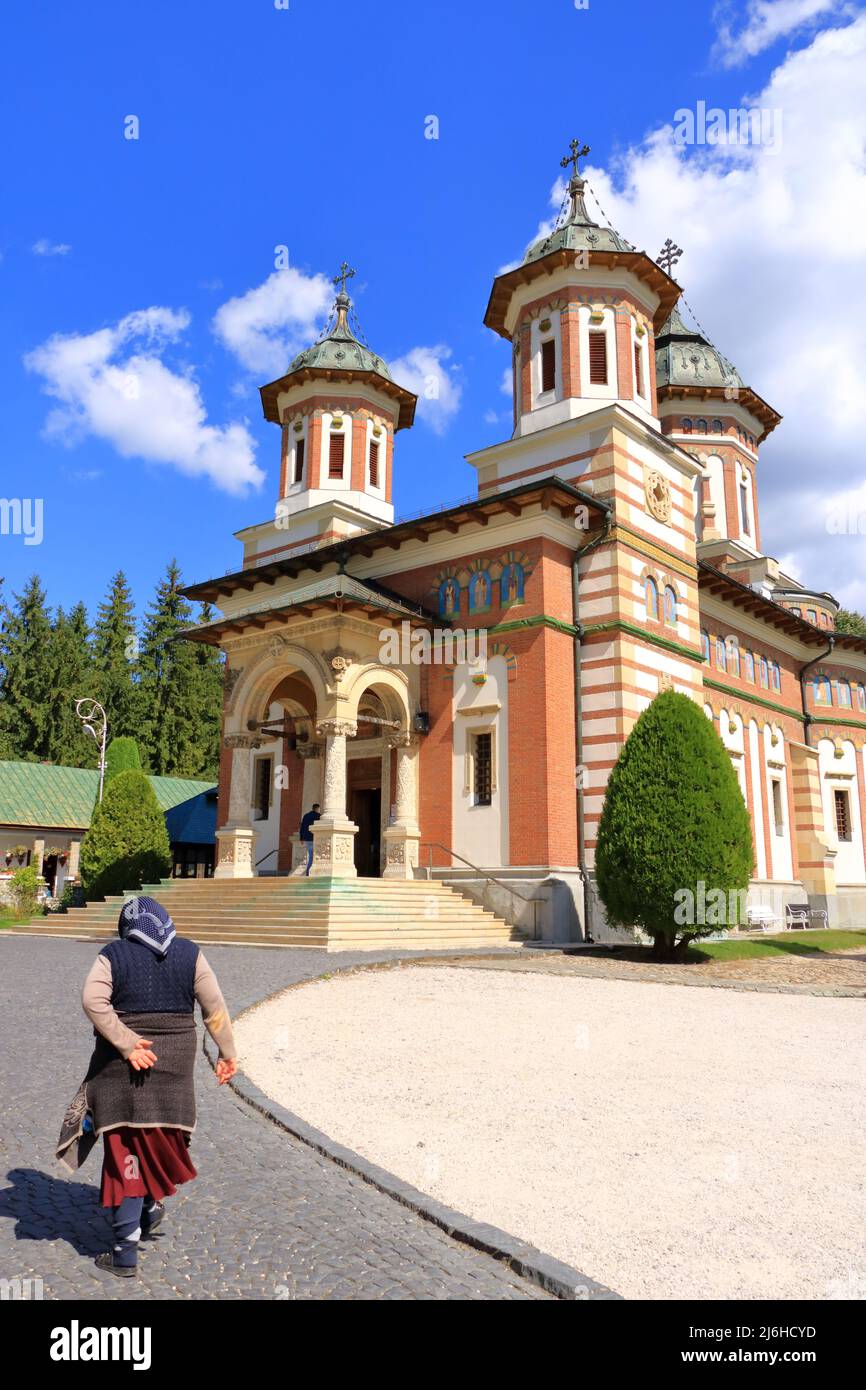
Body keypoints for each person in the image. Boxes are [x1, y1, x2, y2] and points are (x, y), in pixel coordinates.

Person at [57, 895, 237, 1279]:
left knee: (125, 1152)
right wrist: (227, 1053)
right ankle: (148, 1210)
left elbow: (92, 999)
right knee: (158, 1141)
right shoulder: (191, 954)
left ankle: (125, 1251)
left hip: (120, 1072)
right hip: (173, 1073)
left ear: (128, 926)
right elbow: (214, 1008)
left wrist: (125, 1042)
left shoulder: (114, 954)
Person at [299, 802, 321, 875]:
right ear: (317, 809)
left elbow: (302, 827)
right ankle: (309, 872)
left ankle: (309, 872)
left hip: (307, 839)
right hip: (315, 838)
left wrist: (301, 838)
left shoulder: (306, 816)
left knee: (310, 855)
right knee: (314, 856)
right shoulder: (319, 816)